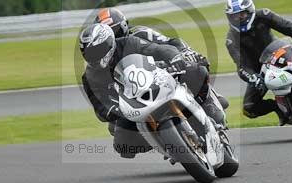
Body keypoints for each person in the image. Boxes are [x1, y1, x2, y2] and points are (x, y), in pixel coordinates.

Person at [79, 23, 224, 158]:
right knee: (122, 145)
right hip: (131, 106)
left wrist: (174, 58)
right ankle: (167, 143)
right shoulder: (89, 77)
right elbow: (99, 106)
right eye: (89, 53)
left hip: (155, 81)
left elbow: (155, 49)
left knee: (196, 70)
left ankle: (206, 104)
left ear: (108, 43)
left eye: (96, 51)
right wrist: (115, 110)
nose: (94, 57)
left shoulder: (129, 42)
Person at [224, 0, 292, 125]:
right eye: (234, 16)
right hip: (260, 71)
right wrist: (253, 78)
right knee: (249, 108)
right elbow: (241, 66)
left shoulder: (263, 15)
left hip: (281, 52)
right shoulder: (231, 40)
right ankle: (280, 109)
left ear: (250, 11)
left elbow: (289, 26)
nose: (239, 18)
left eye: (242, 14)